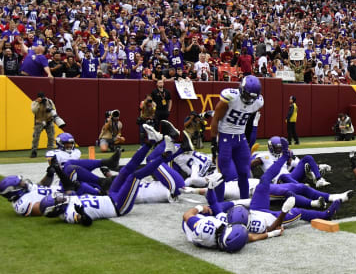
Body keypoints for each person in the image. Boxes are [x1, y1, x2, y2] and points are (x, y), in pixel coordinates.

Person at [40, 126, 189, 225]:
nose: (58, 198)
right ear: (56, 208)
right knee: (134, 177)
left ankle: (150, 142)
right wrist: (83, 217)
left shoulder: (68, 199)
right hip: (118, 206)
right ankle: (166, 154)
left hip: (109, 195)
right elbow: (85, 222)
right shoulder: (69, 213)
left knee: (125, 171)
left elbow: (70, 187)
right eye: (56, 200)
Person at [209, 75, 263, 200]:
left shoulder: (259, 102)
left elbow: (248, 122)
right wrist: (213, 142)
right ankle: (218, 204)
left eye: (252, 96)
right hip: (225, 137)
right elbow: (216, 118)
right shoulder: (231, 97)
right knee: (223, 174)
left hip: (241, 138)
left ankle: (244, 202)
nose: (250, 99)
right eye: (248, 95)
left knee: (244, 173)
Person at [30, 92, 56, 158]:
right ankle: (34, 151)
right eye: (40, 97)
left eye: (42, 97)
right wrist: (38, 103)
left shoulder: (49, 101)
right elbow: (34, 111)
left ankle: (50, 151)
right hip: (39, 121)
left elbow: (54, 110)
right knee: (35, 138)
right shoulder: (34, 103)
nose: (41, 98)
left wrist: (50, 110)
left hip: (49, 121)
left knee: (51, 137)